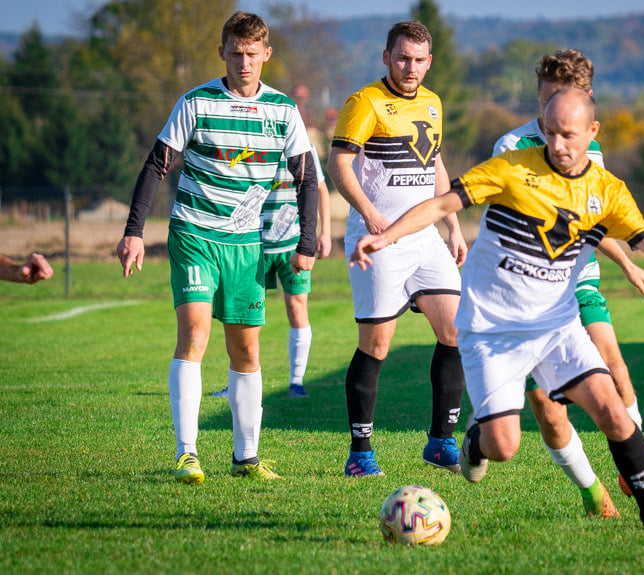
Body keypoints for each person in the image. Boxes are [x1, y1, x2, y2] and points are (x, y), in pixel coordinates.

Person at [352, 87, 644, 530]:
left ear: (593, 131)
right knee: (504, 446)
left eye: (569, 134)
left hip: (556, 324)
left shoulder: (607, 191)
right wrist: (386, 235)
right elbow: (440, 203)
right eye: (550, 133)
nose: (558, 145)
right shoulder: (512, 169)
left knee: (611, 408)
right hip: (492, 330)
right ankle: (475, 441)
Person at [116, 11, 318, 484]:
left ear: (266, 54)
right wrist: (134, 231)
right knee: (195, 336)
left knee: (246, 350)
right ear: (222, 51)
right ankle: (188, 453)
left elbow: (308, 180)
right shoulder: (196, 102)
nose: (244, 62)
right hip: (194, 235)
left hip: (247, 244)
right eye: (235, 52)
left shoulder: (284, 111)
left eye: (252, 54)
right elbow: (156, 166)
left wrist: (306, 243)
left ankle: (246, 457)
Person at [492, 49, 644, 517]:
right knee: (548, 410)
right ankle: (592, 492)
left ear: (586, 102)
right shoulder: (511, 148)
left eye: (560, 100)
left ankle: (636, 472)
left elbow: (592, 219)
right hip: (525, 296)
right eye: (543, 99)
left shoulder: (590, 148)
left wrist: (628, 264)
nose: (549, 112)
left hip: (578, 279)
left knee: (614, 365)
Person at [327, 20, 468, 477]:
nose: (412, 68)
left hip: (426, 239)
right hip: (377, 241)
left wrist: (453, 224)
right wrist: (368, 212)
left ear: (430, 61)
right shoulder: (364, 102)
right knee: (377, 345)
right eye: (403, 58)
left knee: (456, 332)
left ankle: (441, 443)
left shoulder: (432, 103)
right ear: (386, 57)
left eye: (420, 60)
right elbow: (339, 163)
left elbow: (435, 165)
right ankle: (360, 453)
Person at [211, 145, 332, 399]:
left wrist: (325, 233)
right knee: (244, 317)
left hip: (293, 244)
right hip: (253, 243)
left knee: (297, 310)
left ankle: (296, 383)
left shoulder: (303, 145)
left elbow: (320, 188)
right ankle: (238, 383)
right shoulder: (254, 140)